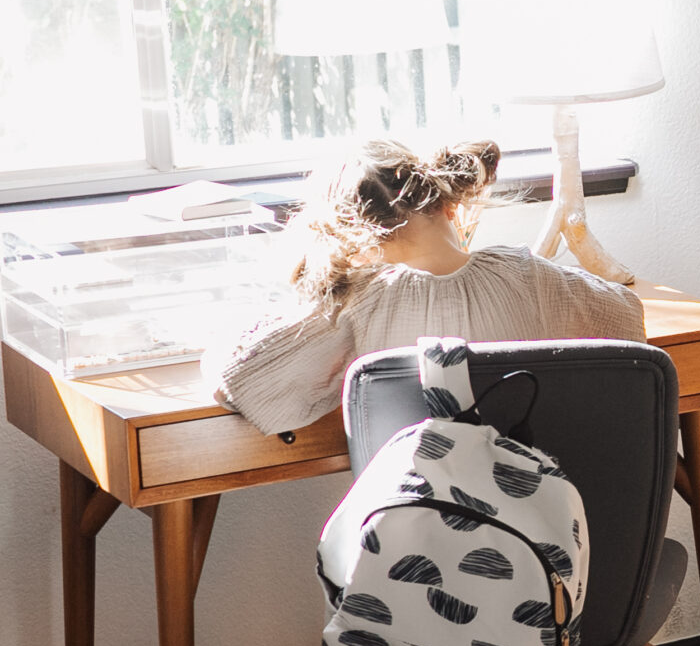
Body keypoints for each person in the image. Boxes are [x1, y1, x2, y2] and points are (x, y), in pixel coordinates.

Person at [203, 137, 646, 436]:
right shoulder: (528, 275)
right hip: (535, 539)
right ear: (449, 206)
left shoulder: (359, 302)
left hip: (412, 551)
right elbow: (626, 319)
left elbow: (236, 382)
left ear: (356, 241)